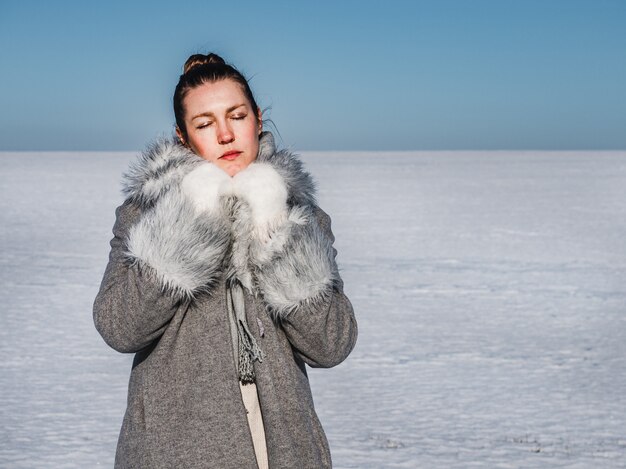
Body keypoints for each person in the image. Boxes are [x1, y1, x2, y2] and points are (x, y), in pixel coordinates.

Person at [93, 53, 358, 469]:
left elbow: (332, 345)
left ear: (257, 118)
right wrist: (186, 224)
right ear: (183, 137)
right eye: (204, 124)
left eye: (236, 116)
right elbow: (119, 328)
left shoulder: (300, 215)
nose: (224, 134)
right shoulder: (146, 212)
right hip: (174, 452)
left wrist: (275, 234)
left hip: (286, 452)